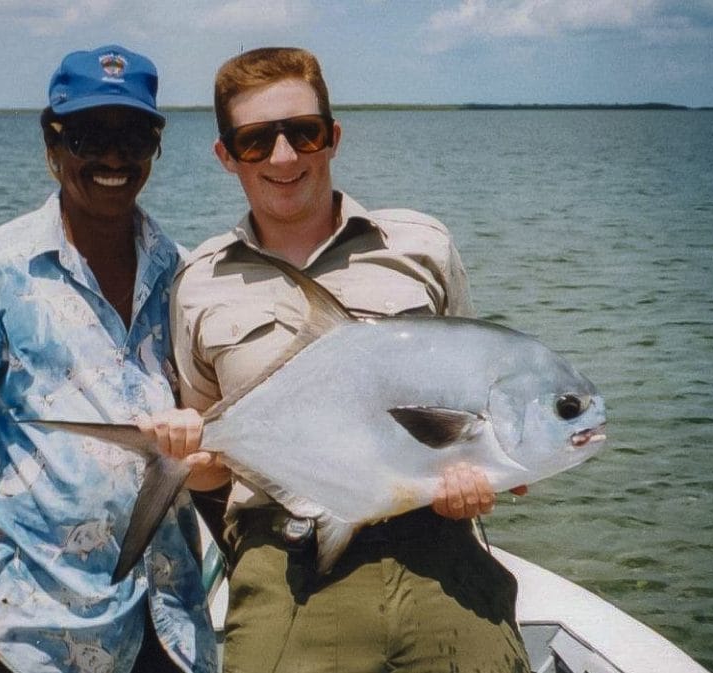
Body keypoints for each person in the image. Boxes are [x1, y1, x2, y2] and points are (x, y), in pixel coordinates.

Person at [171, 47, 531, 673]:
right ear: (226, 156)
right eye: (256, 142)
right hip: (285, 559)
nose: (284, 157)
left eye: (302, 132)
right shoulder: (199, 282)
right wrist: (184, 456)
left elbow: (475, 400)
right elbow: (210, 468)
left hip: (438, 546)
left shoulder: (420, 245)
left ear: (332, 138)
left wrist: (483, 479)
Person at [0, 46, 218, 673]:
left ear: (155, 145)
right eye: (87, 136)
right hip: (34, 629)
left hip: (169, 617)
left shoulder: (185, 274)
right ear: (52, 147)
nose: (112, 156)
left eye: (132, 134)